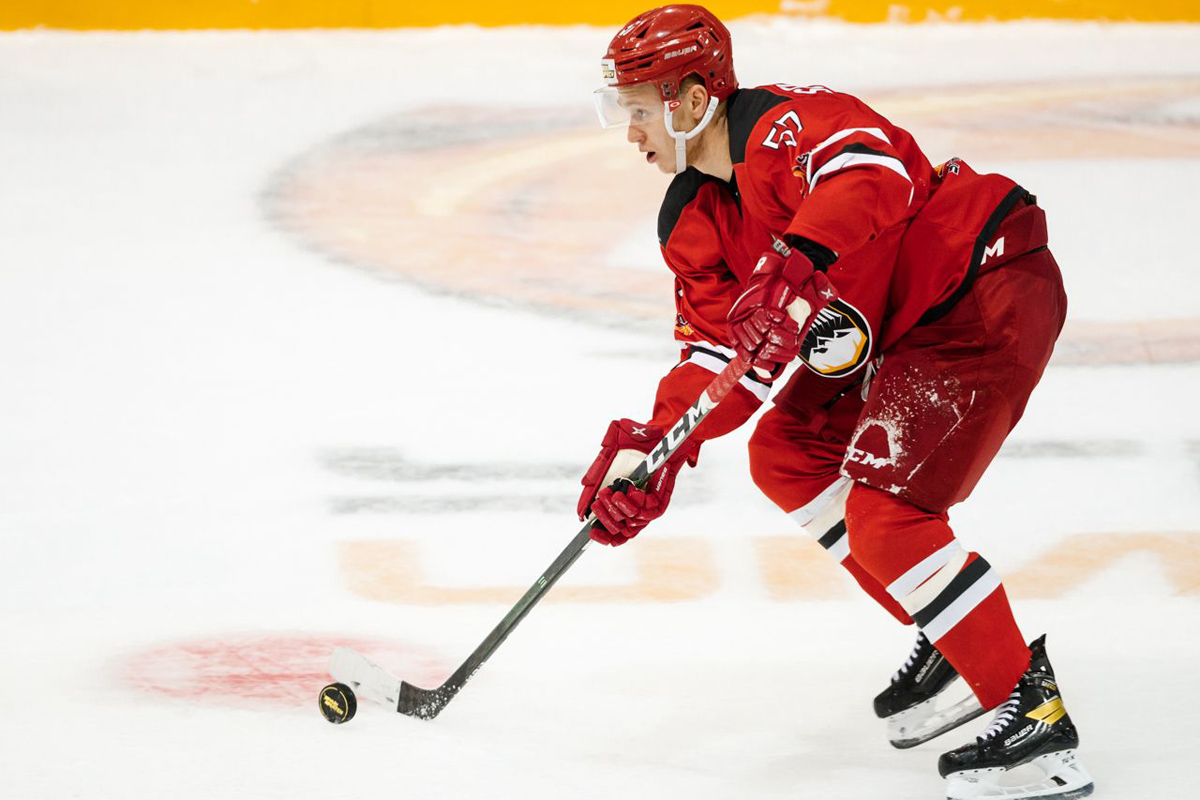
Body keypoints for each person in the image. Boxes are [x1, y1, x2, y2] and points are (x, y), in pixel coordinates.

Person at [576, 6, 1094, 799]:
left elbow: (875, 173)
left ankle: (1036, 727)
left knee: (887, 517)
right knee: (787, 454)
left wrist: (799, 255)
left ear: (691, 100)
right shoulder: (692, 217)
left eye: (639, 109)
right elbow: (718, 357)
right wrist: (658, 447)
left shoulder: (786, 126)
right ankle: (957, 637)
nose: (630, 132)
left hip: (977, 285)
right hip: (896, 326)